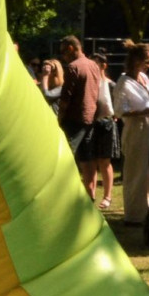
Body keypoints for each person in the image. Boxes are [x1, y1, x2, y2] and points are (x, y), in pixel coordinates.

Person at [113, 40, 149, 224]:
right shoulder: (123, 82)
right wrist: (144, 112)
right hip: (137, 127)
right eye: (148, 61)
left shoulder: (143, 78)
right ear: (137, 61)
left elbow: (147, 99)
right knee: (137, 171)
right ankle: (136, 215)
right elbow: (119, 110)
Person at [58, 35, 104, 194]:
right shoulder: (93, 65)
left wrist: (59, 119)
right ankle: (90, 194)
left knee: (66, 157)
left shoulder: (73, 67)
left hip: (73, 120)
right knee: (88, 159)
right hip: (90, 118)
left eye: (63, 52)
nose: (63, 57)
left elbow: (65, 99)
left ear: (71, 48)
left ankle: (66, 193)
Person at [90, 50, 119, 209]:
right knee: (91, 161)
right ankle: (91, 195)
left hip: (106, 124)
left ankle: (107, 196)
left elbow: (115, 108)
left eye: (96, 64)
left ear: (103, 66)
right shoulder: (89, 84)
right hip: (91, 124)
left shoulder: (111, 85)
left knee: (104, 161)